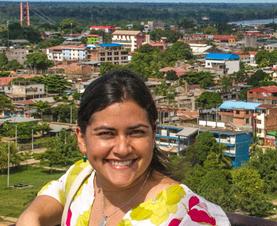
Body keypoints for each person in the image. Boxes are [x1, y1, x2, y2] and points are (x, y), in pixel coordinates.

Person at [17, 70, 230, 226]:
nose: (122, 148)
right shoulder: (83, 177)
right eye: (106, 134)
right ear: (81, 138)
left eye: (136, 132)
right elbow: (56, 193)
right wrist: (30, 217)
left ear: (153, 134)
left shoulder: (184, 214)